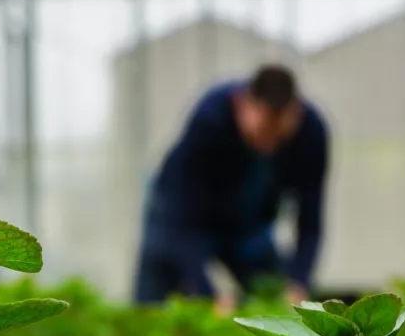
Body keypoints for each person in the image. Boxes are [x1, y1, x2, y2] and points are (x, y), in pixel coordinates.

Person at [134, 64, 329, 311]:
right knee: (155, 305)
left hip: (248, 227)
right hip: (180, 217)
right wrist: (206, 292)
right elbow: (181, 216)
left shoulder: (312, 132)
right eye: (261, 132)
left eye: (278, 137)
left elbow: (311, 219)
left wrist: (298, 281)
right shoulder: (209, 118)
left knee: (276, 300)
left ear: (296, 113)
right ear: (241, 105)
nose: (269, 146)